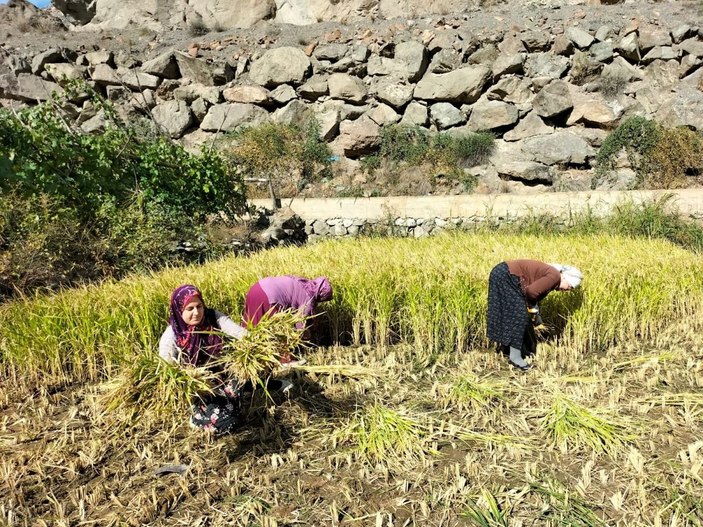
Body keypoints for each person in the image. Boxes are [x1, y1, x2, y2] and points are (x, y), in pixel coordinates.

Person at [159, 284, 290, 434]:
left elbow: (239, 333)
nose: (196, 312)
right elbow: (166, 369)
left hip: (224, 375)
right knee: (228, 421)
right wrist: (188, 380)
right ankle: (197, 416)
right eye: (190, 309)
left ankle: (257, 386)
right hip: (202, 389)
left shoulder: (213, 317)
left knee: (245, 375)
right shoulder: (172, 335)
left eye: (199, 306)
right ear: (179, 310)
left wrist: (260, 343)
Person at [487, 260, 583, 371]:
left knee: (516, 315)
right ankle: (515, 357)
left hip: (504, 273)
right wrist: (533, 309)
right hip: (507, 275)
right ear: (566, 278)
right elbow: (531, 292)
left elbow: (533, 293)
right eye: (570, 287)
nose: (566, 290)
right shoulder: (555, 276)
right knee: (520, 316)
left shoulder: (553, 277)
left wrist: (534, 312)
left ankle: (514, 350)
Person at [242, 275, 333, 365]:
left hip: (257, 288)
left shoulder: (301, 282)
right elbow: (300, 324)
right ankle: (284, 361)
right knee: (278, 332)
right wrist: (306, 338)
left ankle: (246, 354)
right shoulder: (309, 298)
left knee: (252, 326)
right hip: (270, 298)